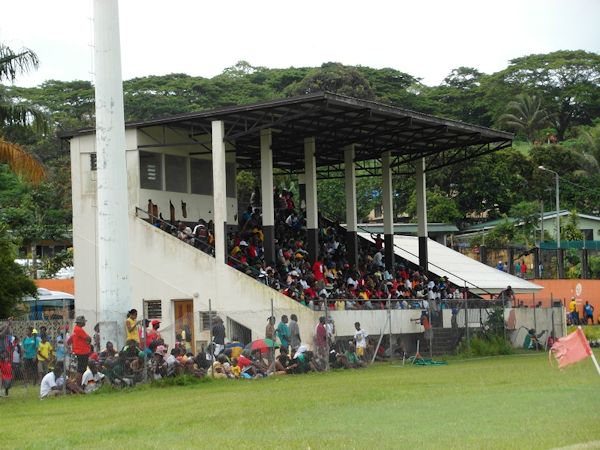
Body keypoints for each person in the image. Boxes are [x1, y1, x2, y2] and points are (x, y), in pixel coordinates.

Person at [69, 315, 92, 386]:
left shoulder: (78, 329)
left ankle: (80, 384)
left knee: (82, 369)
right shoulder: (79, 329)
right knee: (81, 370)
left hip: (81, 352)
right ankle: (78, 385)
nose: (84, 323)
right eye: (83, 322)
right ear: (80, 322)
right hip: (81, 352)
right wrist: (88, 340)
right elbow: (88, 338)